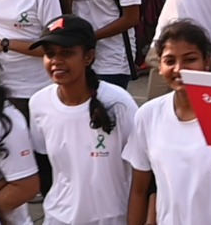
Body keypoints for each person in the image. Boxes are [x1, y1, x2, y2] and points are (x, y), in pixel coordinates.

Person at [124, 20, 211, 224]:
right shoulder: (148, 116)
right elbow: (139, 191)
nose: (179, 69)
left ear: (207, 62)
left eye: (190, 59)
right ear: (159, 66)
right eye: (170, 61)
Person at [29, 14, 138, 225]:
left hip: (112, 219)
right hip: (58, 219)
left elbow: (141, 170)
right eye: (50, 54)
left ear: (88, 57)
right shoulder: (39, 103)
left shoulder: (119, 103)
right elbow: (44, 165)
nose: (56, 61)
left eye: (67, 53)